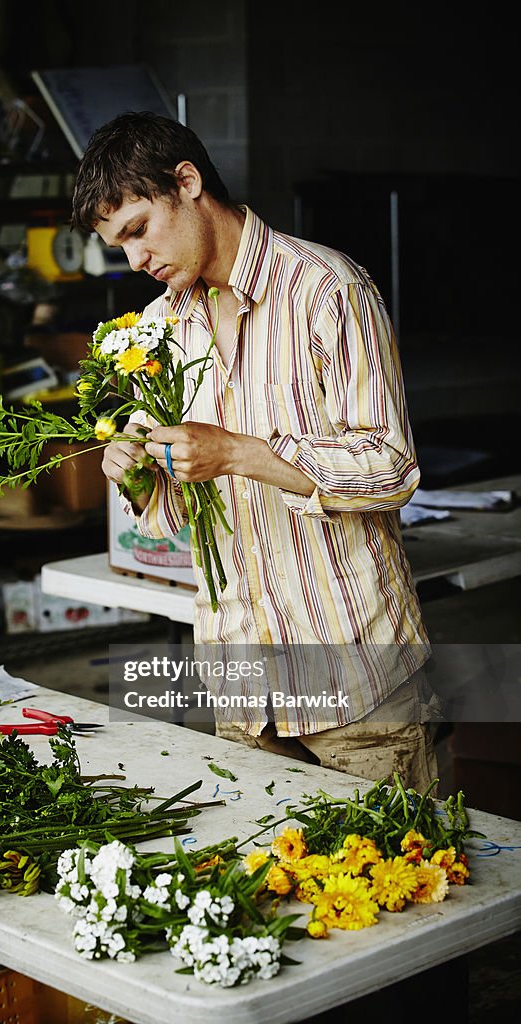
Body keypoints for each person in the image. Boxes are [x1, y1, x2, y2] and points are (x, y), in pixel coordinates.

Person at [71, 111, 439, 791]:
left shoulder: (329, 289)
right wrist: (137, 477)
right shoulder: (155, 330)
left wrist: (240, 452)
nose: (135, 261)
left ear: (186, 182)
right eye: (117, 245)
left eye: (137, 231)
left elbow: (391, 469)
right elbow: (174, 517)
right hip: (241, 691)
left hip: (354, 680)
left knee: (404, 886)